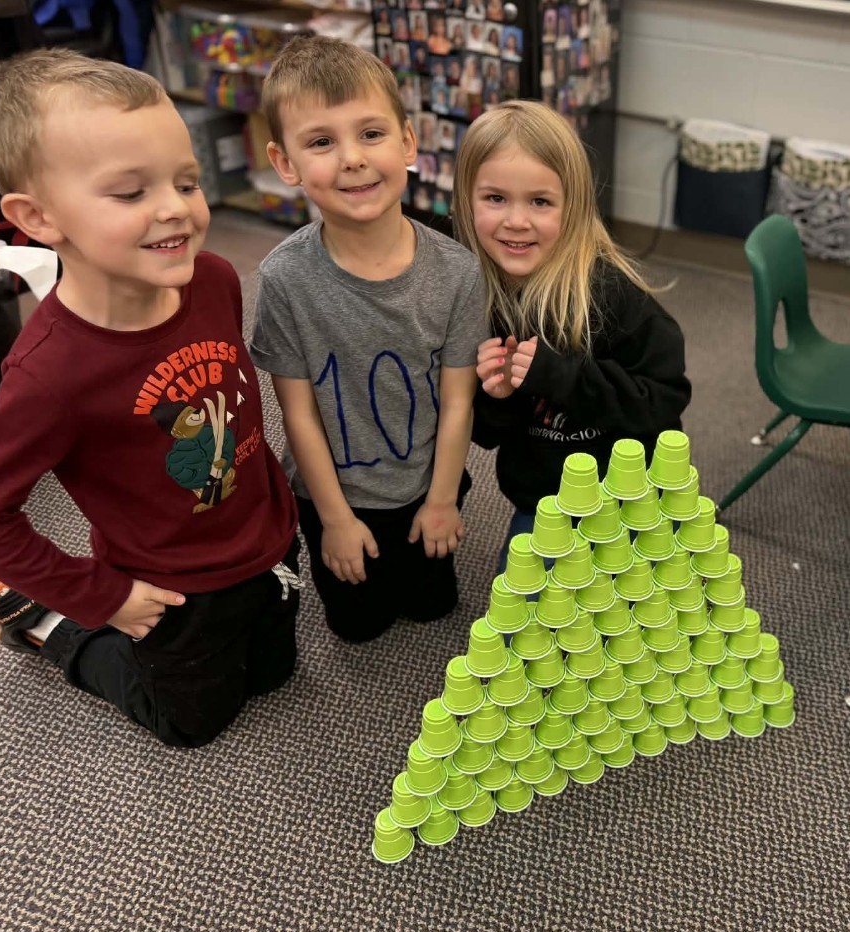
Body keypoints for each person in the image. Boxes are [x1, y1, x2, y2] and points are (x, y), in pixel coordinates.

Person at [0, 50, 301, 748]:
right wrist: (102, 600)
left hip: (267, 540)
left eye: (186, 182)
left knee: (273, 673)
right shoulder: (48, 377)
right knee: (190, 723)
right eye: (130, 194)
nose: (176, 210)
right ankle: (48, 628)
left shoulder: (215, 278)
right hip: (165, 591)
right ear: (37, 216)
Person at [251, 37, 487, 643]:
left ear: (409, 142)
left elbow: (459, 400)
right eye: (322, 142)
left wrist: (441, 502)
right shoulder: (284, 277)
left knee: (434, 610)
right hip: (335, 498)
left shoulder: (458, 271)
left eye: (372, 134)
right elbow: (296, 412)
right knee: (359, 630)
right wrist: (332, 518)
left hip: (426, 489)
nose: (352, 158)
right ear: (286, 164)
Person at [451, 101, 691, 568]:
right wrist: (500, 397)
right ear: (465, 200)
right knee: (526, 625)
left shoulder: (612, 295)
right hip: (545, 501)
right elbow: (485, 433)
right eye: (495, 198)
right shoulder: (480, 295)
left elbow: (663, 399)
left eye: (540, 201)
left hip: (627, 503)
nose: (516, 221)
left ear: (574, 205)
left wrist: (560, 377)